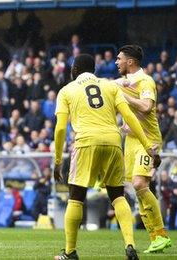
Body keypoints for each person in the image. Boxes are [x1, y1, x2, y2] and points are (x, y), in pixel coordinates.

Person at [52, 53, 158, 260]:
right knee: (118, 196)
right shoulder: (110, 86)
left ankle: (70, 252)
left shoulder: (66, 90)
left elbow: (59, 130)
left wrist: (57, 161)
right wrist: (148, 147)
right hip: (112, 142)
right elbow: (129, 117)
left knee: (76, 197)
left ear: (75, 69)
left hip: (85, 143)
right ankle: (130, 245)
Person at [115, 44, 171, 253]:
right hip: (131, 140)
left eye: (119, 59)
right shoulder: (124, 82)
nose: (116, 62)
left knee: (140, 184)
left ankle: (161, 234)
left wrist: (122, 96)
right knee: (138, 189)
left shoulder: (146, 81)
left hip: (147, 140)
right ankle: (155, 237)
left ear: (130, 61)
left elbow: (147, 107)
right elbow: (109, 86)